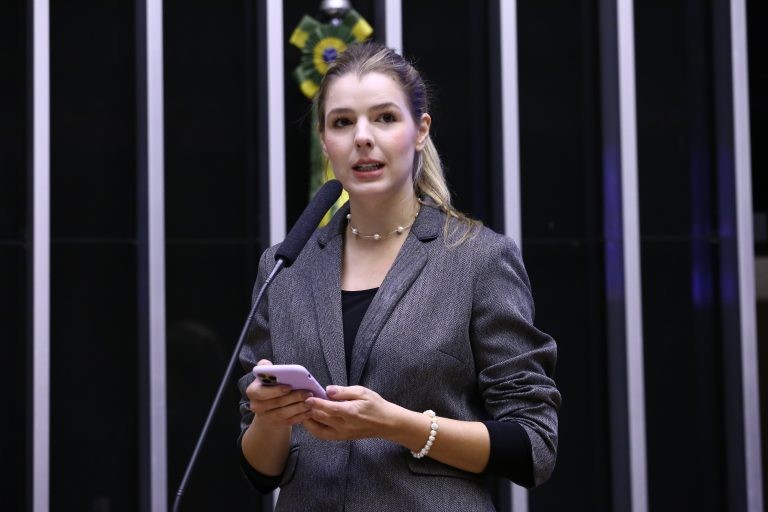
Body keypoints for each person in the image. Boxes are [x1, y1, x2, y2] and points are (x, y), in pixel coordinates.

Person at [237, 42, 561, 511]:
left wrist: (395, 424)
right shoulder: (285, 266)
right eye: (342, 122)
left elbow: (535, 446)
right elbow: (259, 471)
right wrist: (270, 419)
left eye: (385, 118)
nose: (362, 138)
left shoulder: (477, 259)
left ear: (420, 130)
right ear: (325, 141)